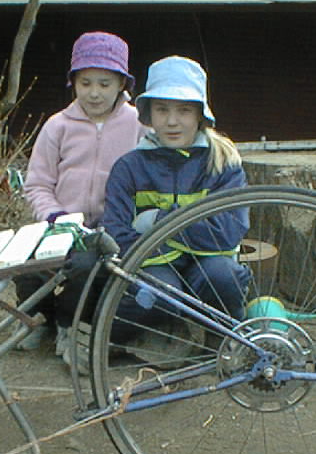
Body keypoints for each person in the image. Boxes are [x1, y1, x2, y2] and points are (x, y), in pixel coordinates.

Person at [16, 31, 148, 366]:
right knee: (27, 264)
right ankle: (38, 318)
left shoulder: (138, 125)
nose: (94, 92)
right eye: (85, 83)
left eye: (105, 83)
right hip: (60, 223)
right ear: (73, 82)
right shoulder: (57, 126)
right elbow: (37, 184)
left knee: (87, 267)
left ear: (122, 84)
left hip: (111, 227)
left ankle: (69, 326)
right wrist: (54, 216)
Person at [101, 55, 251, 344]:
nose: (172, 121)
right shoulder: (128, 167)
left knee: (223, 275)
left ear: (199, 115)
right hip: (153, 266)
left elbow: (228, 232)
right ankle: (116, 342)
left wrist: (160, 221)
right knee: (158, 292)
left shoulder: (224, 164)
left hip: (209, 265)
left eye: (184, 110)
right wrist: (188, 233)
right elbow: (118, 237)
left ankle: (223, 343)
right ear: (148, 113)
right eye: (162, 110)